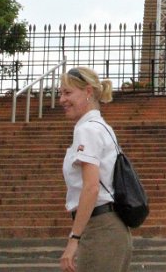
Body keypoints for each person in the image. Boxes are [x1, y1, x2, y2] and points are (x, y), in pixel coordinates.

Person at [59, 66, 132, 272]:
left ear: (88, 92)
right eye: (60, 93)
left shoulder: (87, 130)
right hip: (111, 228)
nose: (61, 100)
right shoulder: (102, 127)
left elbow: (91, 187)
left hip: (100, 229)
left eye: (67, 92)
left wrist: (74, 239)